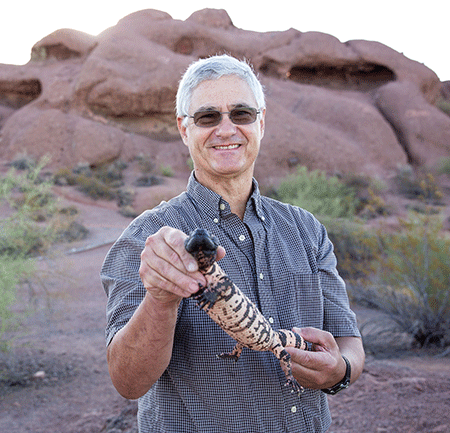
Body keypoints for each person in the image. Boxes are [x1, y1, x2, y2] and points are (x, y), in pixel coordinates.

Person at [101, 54, 365, 433]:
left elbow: (349, 341)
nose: (226, 129)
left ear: (261, 122)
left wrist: (340, 370)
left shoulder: (306, 229)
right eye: (208, 117)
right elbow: (128, 382)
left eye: (240, 114)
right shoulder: (147, 239)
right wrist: (160, 298)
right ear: (183, 128)